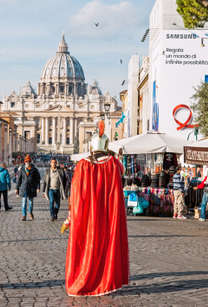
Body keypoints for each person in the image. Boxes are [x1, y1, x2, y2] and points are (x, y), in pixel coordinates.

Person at [63, 120, 128, 296]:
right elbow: (122, 175)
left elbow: (76, 195)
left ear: (91, 147)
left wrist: (71, 217)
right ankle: (106, 279)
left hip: (87, 216)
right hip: (108, 214)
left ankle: (85, 279)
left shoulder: (83, 166)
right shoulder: (113, 164)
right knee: (107, 244)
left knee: (87, 244)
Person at [16, 154, 41, 221]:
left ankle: (30, 212)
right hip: (24, 188)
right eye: (26, 162)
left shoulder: (34, 169)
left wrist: (38, 187)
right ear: (25, 162)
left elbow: (38, 179)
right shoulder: (22, 169)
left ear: (30, 162)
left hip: (32, 187)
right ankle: (24, 215)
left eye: (29, 161)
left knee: (31, 202)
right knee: (24, 202)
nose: (27, 163)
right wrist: (17, 188)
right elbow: (19, 179)